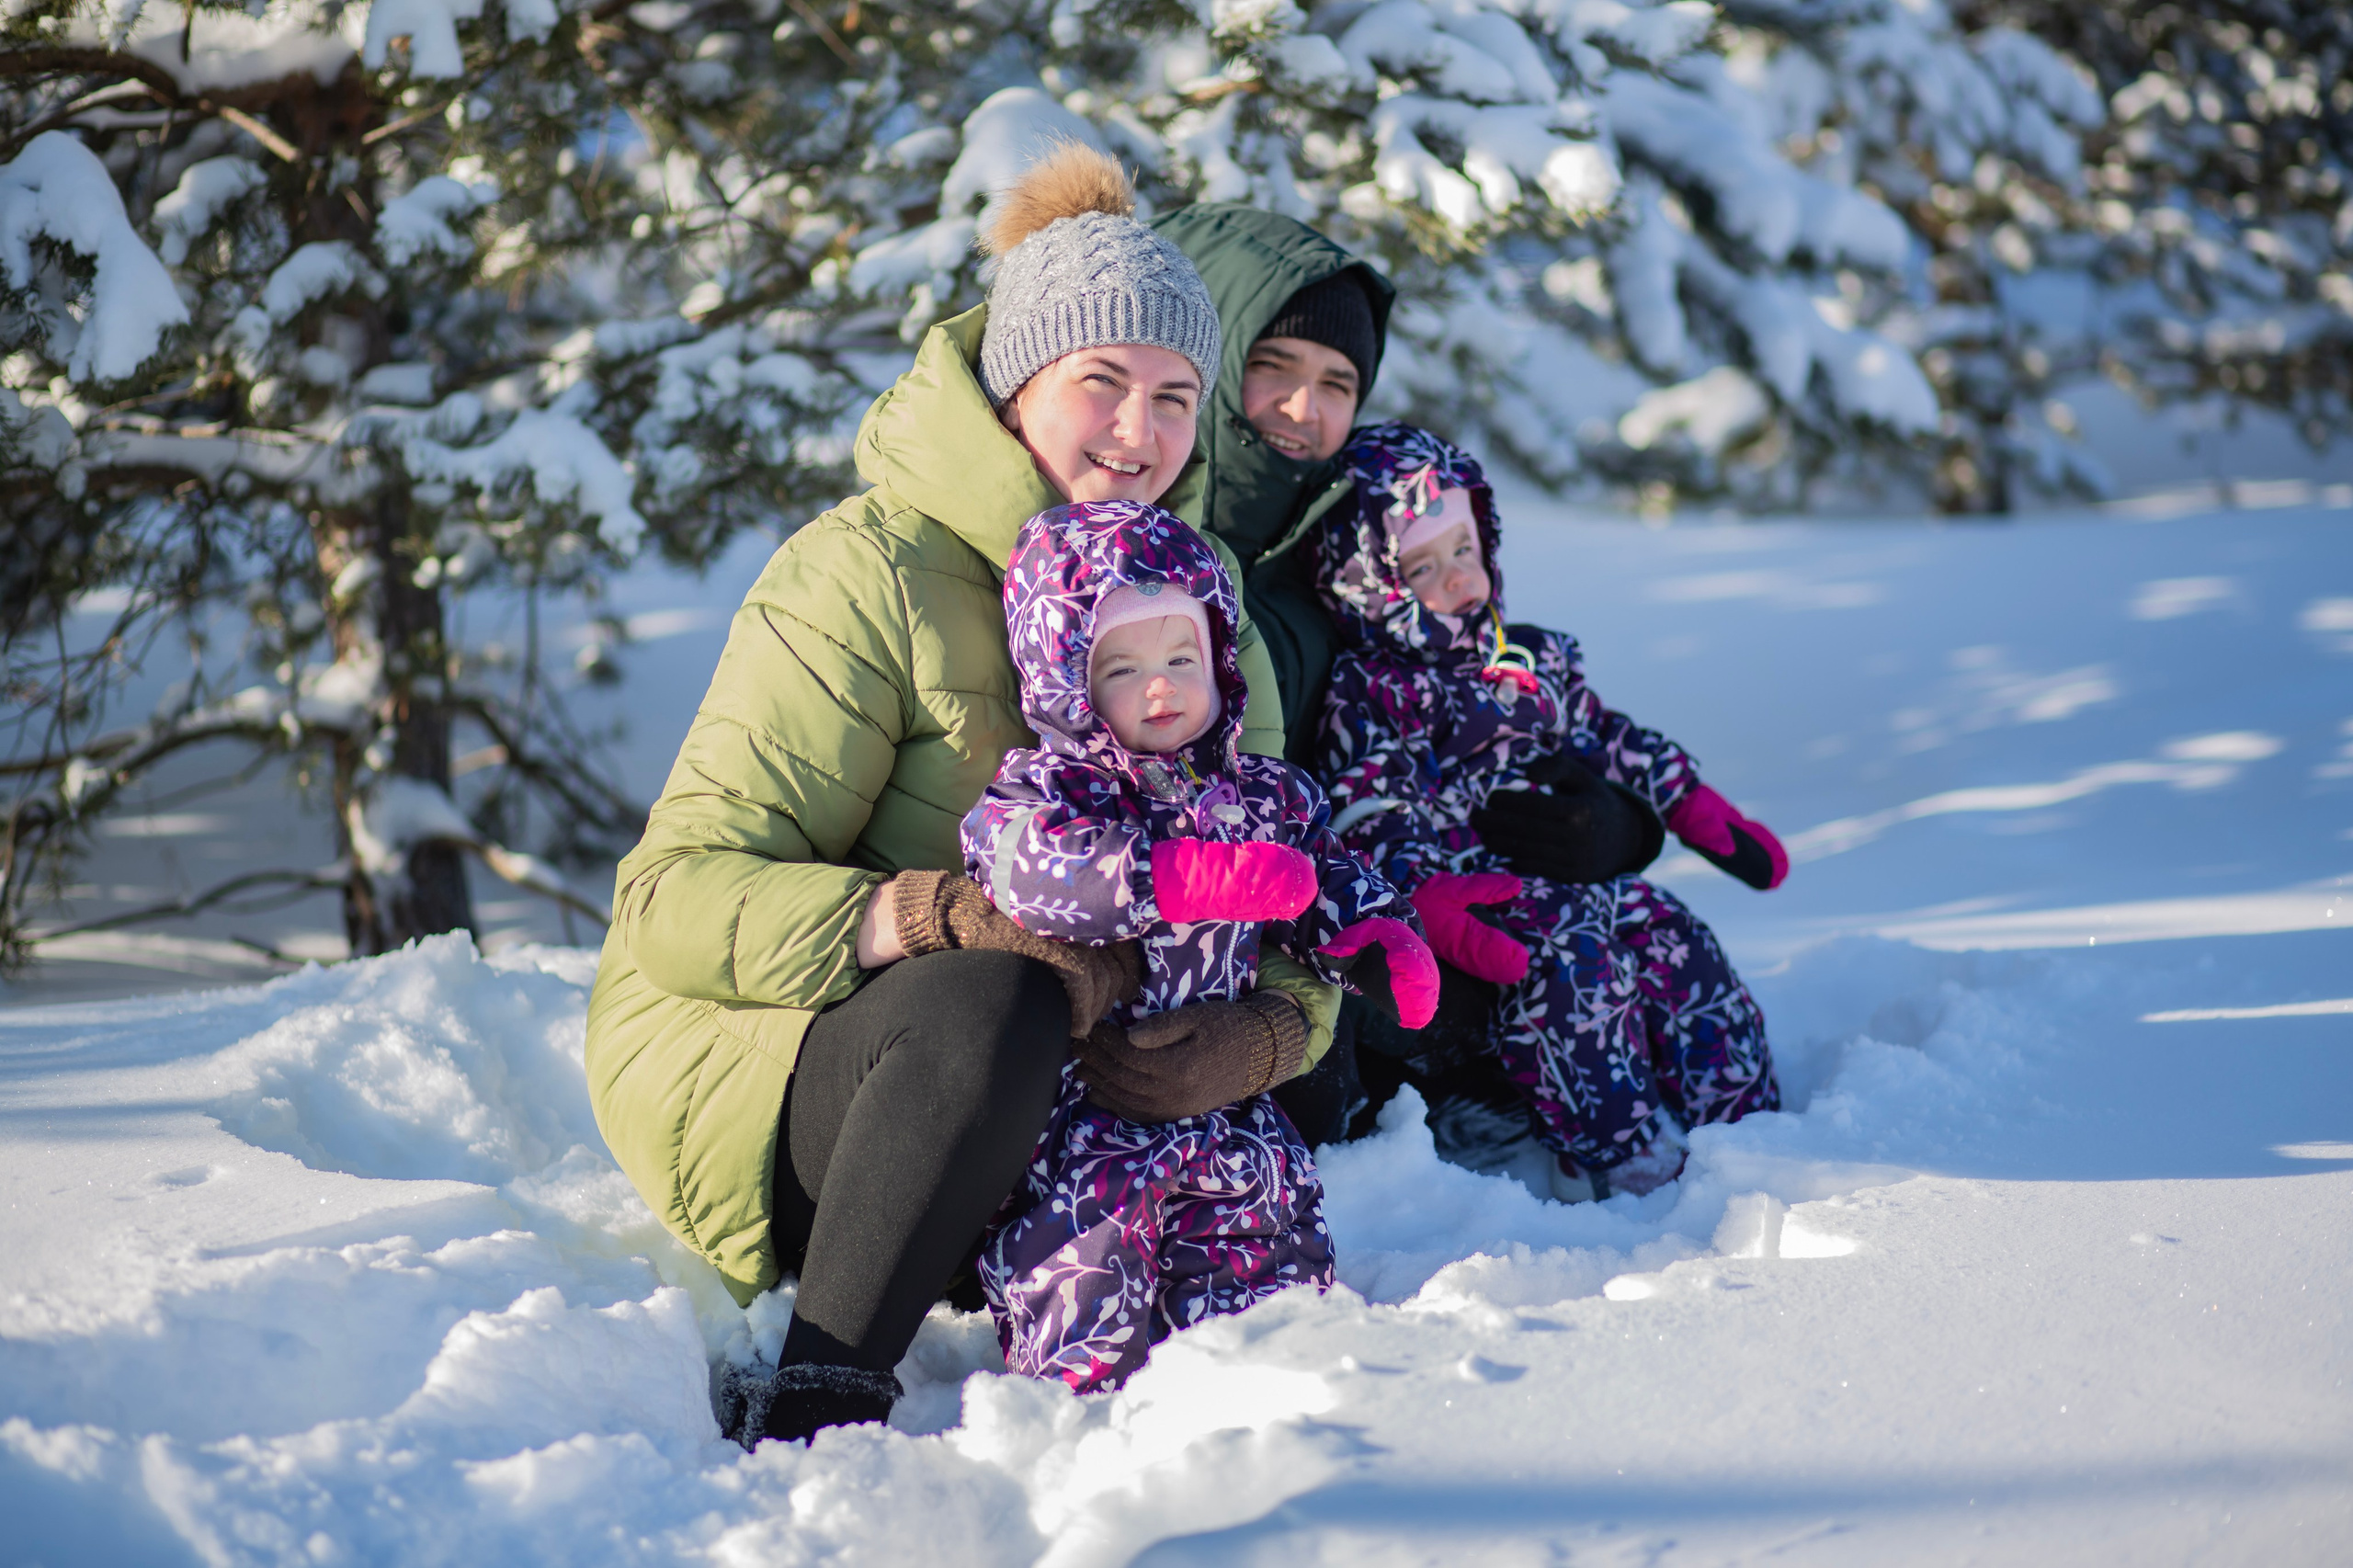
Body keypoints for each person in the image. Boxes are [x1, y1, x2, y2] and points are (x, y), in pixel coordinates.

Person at [584, 143, 1342, 1449]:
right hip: (798, 1078)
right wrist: (944, 916)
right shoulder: (864, 573)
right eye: (1100, 382)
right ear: (1014, 385)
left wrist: (1268, 1036)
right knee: (1001, 995)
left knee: (1305, 1080)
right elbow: (673, 899)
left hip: (1058, 1105)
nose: (1139, 433)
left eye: (1175, 396)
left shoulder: (1196, 588)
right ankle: (822, 1387)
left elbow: (1283, 881)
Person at [961, 499, 1434, 1391]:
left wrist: (1374, 939)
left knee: (1261, 1219)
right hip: (1085, 1108)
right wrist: (1176, 877)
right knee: (1087, 1252)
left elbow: (1321, 873)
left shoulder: (1264, 795)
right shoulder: (1046, 789)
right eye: (1122, 666)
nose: (1162, 685)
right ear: (1065, 681)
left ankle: (1261, 1380)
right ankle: (1079, 1401)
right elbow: (1032, 871)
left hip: (1225, 1093)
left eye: (1183, 657)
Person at [1314, 423, 1788, 1198]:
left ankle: (1748, 1120)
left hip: (1581, 870)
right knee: (1575, 967)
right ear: (1372, 586)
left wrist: (1695, 806)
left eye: (1463, 551)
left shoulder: (1530, 657)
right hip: (1486, 892)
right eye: (1421, 566)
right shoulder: (1374, 690)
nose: (1457, 579)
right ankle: (1617, 1151)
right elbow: (1371, 803)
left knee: (1672, 935)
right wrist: (1425, 893)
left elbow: (1607, 736)